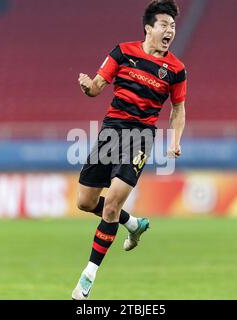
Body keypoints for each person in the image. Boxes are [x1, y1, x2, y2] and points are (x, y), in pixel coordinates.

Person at [72, 0, 187, 300]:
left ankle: (88, 276)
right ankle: (133, 224)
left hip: (140, 137)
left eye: (172, 26)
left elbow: (178, 109)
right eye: (164, 25)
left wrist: (175, 140)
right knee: (84, 202)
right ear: (149, 28)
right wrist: (88, 87)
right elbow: (98, 86)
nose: (169, 31)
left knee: (110, 206)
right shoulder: (122, 52)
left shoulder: (176, 70)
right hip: (111, 132)